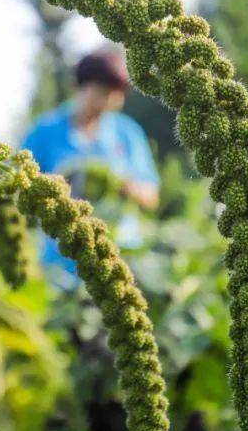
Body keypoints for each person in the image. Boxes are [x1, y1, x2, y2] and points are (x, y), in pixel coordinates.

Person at [22, 49, 159, 282]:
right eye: (102, 92)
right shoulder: (45, 132)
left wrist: (123, 185)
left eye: (117, 95)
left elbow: (151, 197)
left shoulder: (127, 133)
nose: (109, 102)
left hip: (116, 255)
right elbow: (20, 186)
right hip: (61, 263)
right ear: (80, 87)